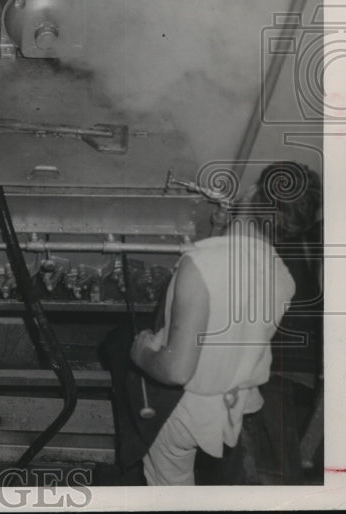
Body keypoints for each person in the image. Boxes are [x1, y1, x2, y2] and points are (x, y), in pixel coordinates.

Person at [130, 161, 322, 485]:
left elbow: (177, 371)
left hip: (184, 409)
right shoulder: (281, 276)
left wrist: (141, 354)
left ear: (251, 193)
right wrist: (221, 231)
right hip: (232, 406)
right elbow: (230, 299)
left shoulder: (200, 262)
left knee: (170, 489)